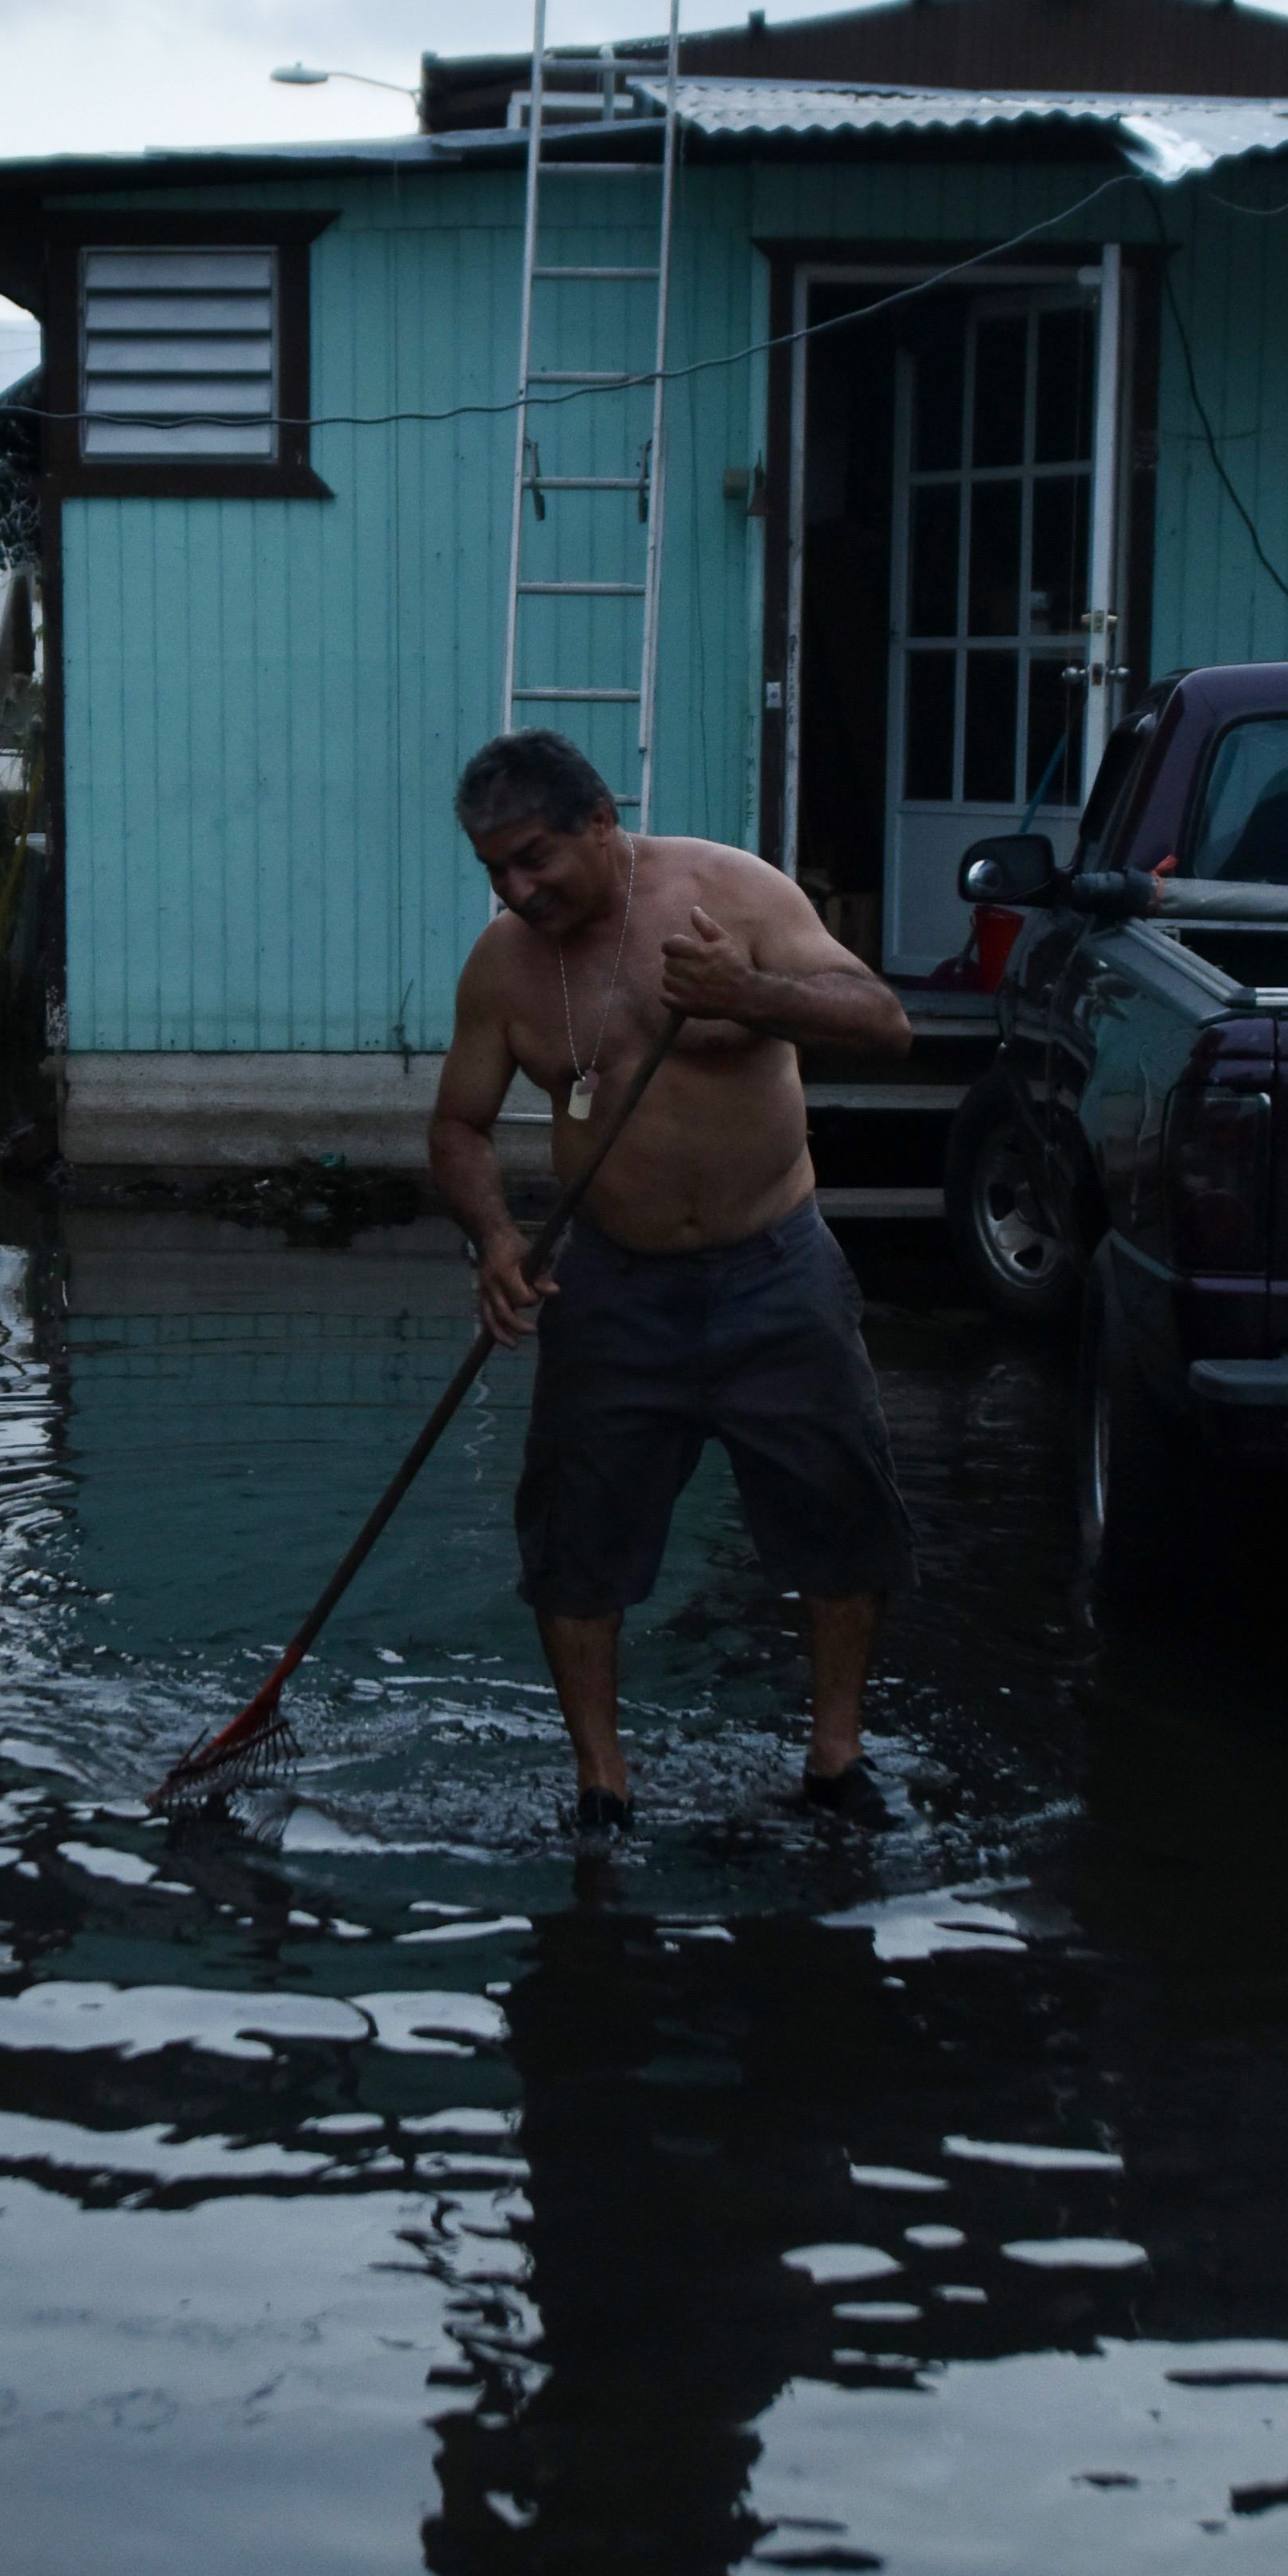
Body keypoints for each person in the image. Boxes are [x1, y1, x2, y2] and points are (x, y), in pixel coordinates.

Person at [425, 732, 919, 1836]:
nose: (516, 889)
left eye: (535, 858)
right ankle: (603, 1785)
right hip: (608, 1281)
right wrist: (496, 1240)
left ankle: (835, 1758)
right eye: (495, 870)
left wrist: (749, 990)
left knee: (841, 1515)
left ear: (602, 821)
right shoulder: (505, 964)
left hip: (774, 1263)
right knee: (573, 1542)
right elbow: (457, 1127)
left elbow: (887, 1025)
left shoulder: (731, 892)